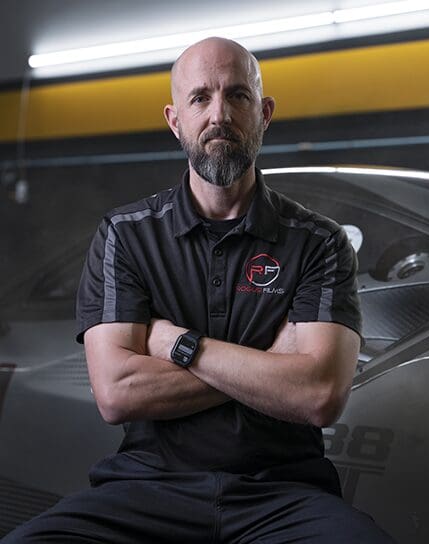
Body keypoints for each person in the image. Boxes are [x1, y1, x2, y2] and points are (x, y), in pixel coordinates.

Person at [2, 37, 395, 543]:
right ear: (174, 121)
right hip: (144, 491)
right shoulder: (126, 234)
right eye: (200, 98)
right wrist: (270, 366)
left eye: (237, 95)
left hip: (285, 497)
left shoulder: (319, 243)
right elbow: (117, 393)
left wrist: (174, 343)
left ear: (264, 112)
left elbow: (318, 396)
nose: (219, 114)